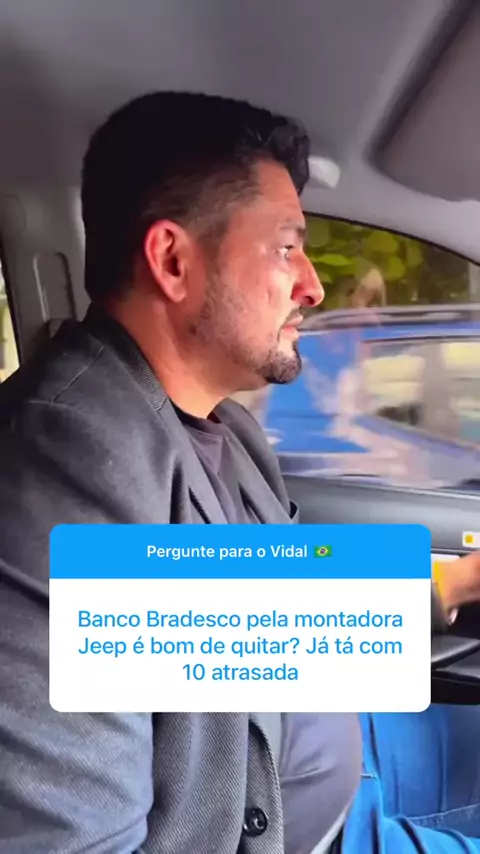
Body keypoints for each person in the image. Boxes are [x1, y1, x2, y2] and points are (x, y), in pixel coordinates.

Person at [1, 91, 480, 854]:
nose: (312, 286)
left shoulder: (223, 429)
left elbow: (243, 607)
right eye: (286, 248)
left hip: (345, 746)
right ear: (173, 261)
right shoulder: (63, 462)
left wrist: (452, 584)